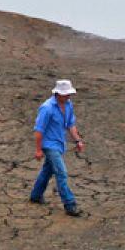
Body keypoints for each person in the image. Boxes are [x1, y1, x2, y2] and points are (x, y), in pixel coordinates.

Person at [30, 79, 85, 216]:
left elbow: (70, 125)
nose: (68, 97)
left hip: (60, 144)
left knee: (48, 171)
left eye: (69, 94)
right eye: (66, 94)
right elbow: (38, 131)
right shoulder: (47, 108)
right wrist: (38, 149)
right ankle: (70, 204)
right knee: (61, 173)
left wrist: (77, 140)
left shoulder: (68, 105)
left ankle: (36, 195)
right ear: (58, 94)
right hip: (49, 145)